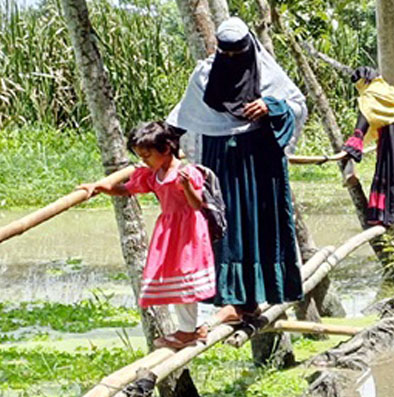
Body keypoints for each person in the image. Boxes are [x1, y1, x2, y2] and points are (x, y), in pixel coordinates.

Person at [166, 17, 306, 325]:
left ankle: (251, 299)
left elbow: (296, 105)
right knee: (222, 222)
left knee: (258, 223)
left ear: (249, 48)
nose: (231, 60)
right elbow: (180, 118)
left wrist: (271, 106)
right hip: (219, 162)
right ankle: (231, 299)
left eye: (237, 54)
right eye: (225, 54)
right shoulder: (204, 76)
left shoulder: (267, 72)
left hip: (261, 160)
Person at [78, 122, 216, 349]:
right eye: (140, 156)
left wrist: (187, 187)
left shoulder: (185, 172)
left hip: (188, 231)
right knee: (174, 276)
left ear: (166, 149)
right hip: (170, 230)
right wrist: (102, 188)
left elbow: (196, 204)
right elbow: (127, 189)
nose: (144, 161)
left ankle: (188, 331)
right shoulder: (154, 175)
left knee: (186, 277)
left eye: (147, 155)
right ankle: (193, 326)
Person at [342, 67, 394, 228]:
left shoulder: (371, 93)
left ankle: (388, 214)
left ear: (363, 81)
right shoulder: (387, 89)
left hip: (392, 134)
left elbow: (365, 115)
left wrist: (357, 138)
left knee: (390, 171)